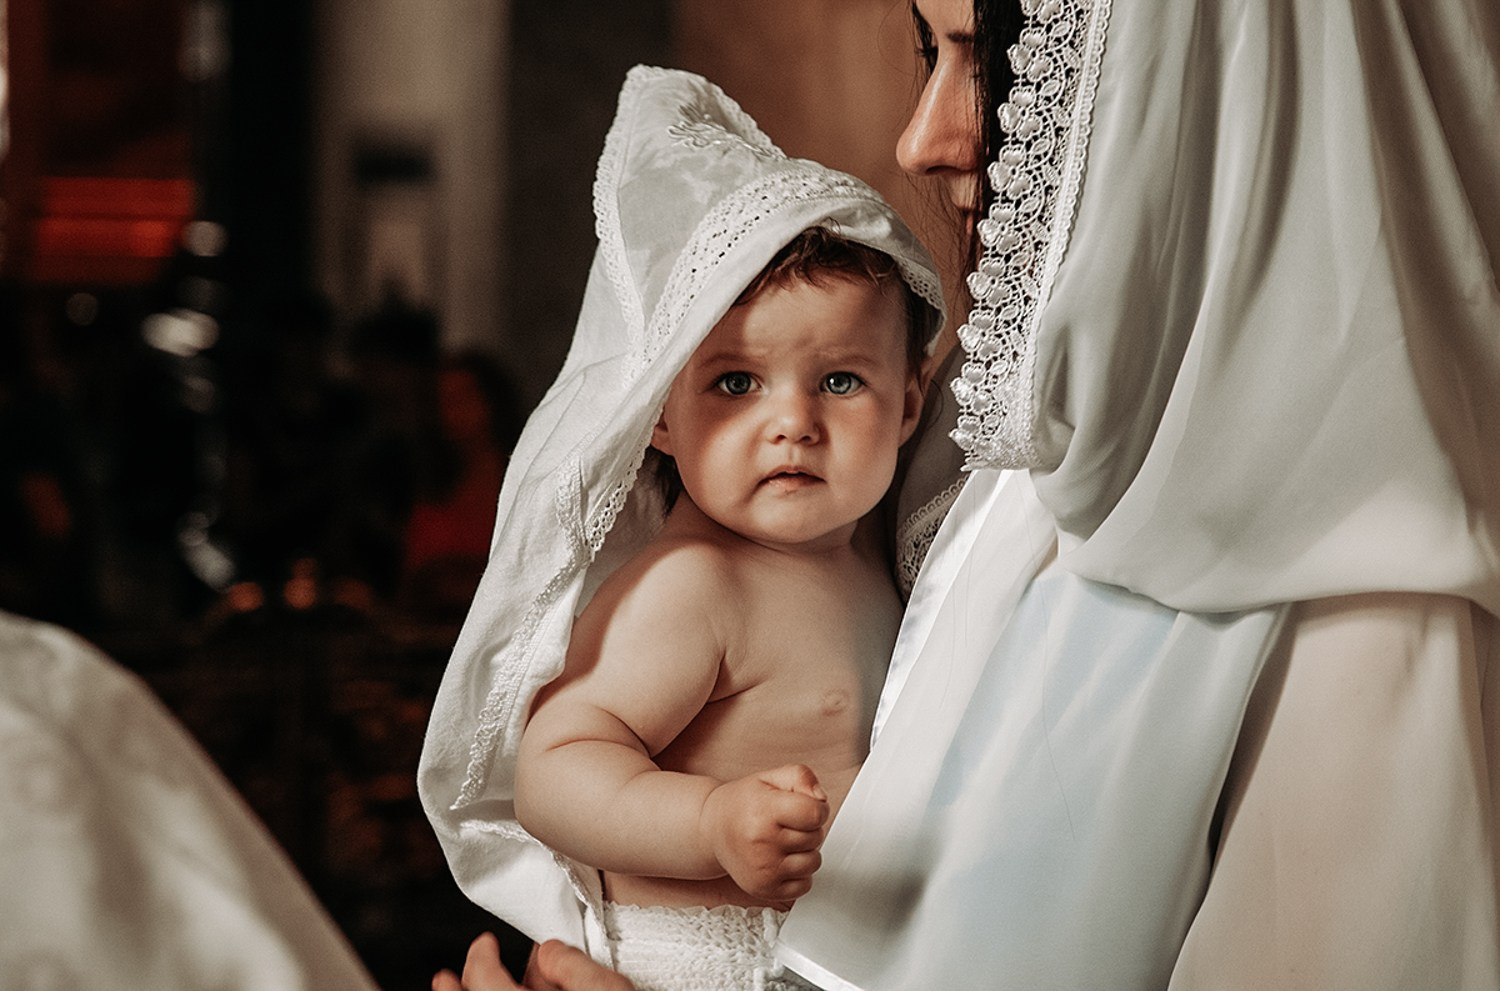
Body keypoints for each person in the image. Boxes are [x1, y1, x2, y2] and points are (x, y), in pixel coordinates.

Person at [435, 0, 1500, 985]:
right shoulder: (965, 472)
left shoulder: (1363, 611)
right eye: (929, 49)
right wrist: (706, 825)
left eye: (989, 61)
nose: (922, 139)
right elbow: (573, 753)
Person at [417, 65, 942, 989]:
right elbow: (558, 760)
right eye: (736, 383)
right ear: (659, 413)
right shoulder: (695, 581)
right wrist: (707, 822)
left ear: (910, 402)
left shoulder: (874, 555)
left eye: (841, 381)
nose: (793, 422)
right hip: (691, 958)